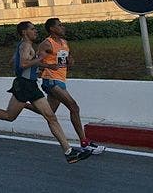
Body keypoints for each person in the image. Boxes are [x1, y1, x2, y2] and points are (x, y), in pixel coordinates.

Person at [0, 21, 92, 164]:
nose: (36, 31)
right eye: (32, 29)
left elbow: (13, 61)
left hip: (31, 85)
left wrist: (46, 65)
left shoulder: (24, 46)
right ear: (25, 32)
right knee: (9, 116)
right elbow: (23, 64)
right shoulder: (26, 45)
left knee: (51, 117)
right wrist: (39, 59)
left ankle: (69, 152)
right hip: (24, 85)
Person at [30, 18, 105, 154]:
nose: (63, 27)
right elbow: (35, 62)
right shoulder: (47, 44)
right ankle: (84, 142)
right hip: (50, 80)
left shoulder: (64, 43)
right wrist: (48, 66)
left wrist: (71, 61)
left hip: (61, 80)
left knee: (48, 111)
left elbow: (66, 61)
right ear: (52, 29)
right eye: (59, 25)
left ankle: (22, 103)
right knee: (74, 107)